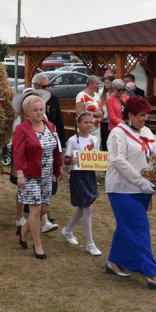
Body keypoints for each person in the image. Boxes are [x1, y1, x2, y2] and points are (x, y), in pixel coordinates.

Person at [106, 95, 156, 288]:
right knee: (139, 228)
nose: (145, 118)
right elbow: (118, 161)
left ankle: (114, 261)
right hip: (122, 189)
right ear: (130, 115)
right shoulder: (118, 133)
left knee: (126, 227)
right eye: (141, 115)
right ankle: (152, 272)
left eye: (146, 115)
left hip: (143, 190)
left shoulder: (147, 132)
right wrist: (139, 180)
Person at [13, 94, 63, 260]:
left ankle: (23, 231)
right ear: (27, 112)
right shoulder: (22, 129)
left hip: (47, 175)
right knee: (34, 210)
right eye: (35, 110)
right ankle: (37, 243)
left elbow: (56, 149)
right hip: (30, 175)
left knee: (43, 209)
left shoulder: (50, 126)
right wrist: (20, 175)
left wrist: (59, 168)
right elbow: (18, 154)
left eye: (41, 109)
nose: (39, 112)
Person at [61, 111, 102, 256]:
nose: (89, 125)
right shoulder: (73, 140)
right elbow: (66, 159)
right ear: (78, 124)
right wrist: (70, 160)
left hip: (89, 174)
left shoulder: (94, 140)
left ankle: (68, 230)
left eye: (91, 122)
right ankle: (90, 243)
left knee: (84, 206)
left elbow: (96, 157)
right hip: (78, 175)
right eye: (86, 122)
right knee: (87, 206)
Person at [31, 72, 65, 226]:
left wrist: (61, 145)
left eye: (48, 86)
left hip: (50, 142)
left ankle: (42, 211)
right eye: (44, 86)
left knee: (48, 177)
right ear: (35, 86)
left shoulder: (54, 100)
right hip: (33, 145)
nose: (47, 89)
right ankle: (36, 211)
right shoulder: (29, 101)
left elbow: (59, 123)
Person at [102, 78, 126, 148]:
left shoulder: (126, 97)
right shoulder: (109, 100)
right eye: (119, 90)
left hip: (125, 128)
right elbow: (112, 117)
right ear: (113, 89)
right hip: (115, 128)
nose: (121, 92)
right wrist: (124, 123)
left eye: (123, 90)